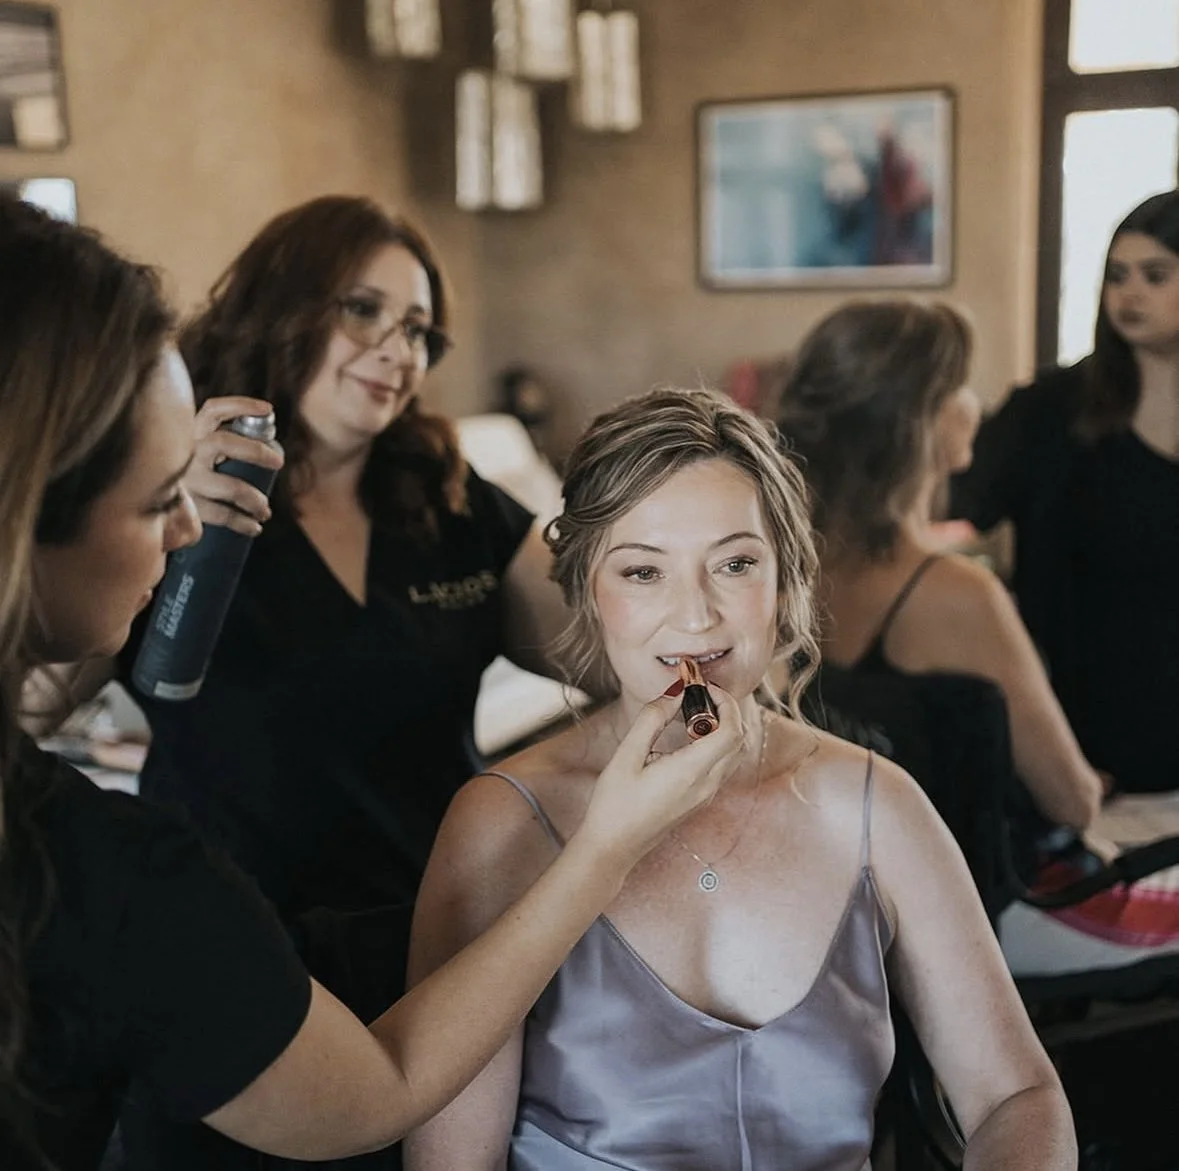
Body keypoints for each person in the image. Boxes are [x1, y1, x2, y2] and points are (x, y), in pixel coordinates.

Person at [0, 196, 743, 1171]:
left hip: (441, 935)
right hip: (229, 959)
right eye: (363, 311)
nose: (397, 348)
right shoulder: (198, 509)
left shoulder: (447, 491)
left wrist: (699, 598)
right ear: (283, 306)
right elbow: (42, 693)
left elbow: (603, 645)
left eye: (419, 330)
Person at [404, 388, 1075, 1171]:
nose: (694, 617)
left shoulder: (876, 803)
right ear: (589, 591)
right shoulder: (500, 824)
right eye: (643, 571)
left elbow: (1015, 1094)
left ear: (784, 580)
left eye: (733, 563)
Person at [777, 299, 1179, 978]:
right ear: (922, 419)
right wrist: (1083, 780)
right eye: (961, 388)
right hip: (1002, 908)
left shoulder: (796, 563)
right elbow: (1071, 801)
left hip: (864, 898)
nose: (974, 405)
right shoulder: (952, 594)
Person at [951, 190, 1179, 798]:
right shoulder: (1048, 411)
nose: (1129, 295)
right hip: (1085, 744)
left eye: (1155, 276)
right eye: (1117, 276)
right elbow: (961, 509)